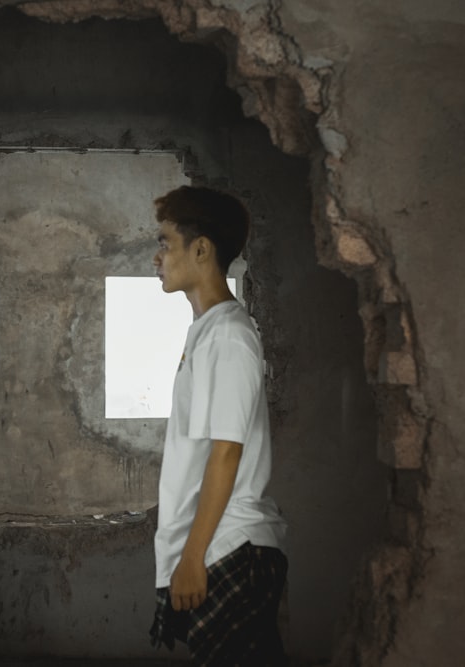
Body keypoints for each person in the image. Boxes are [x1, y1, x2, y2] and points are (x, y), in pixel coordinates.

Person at [148, 186, 289, 665]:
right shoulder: (208, 331)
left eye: (166, 242)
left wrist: (192, 557)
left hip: (231, 547)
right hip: (220, 546)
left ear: (201, 248)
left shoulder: (228, 334)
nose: (157, 255)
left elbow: (226, 452)